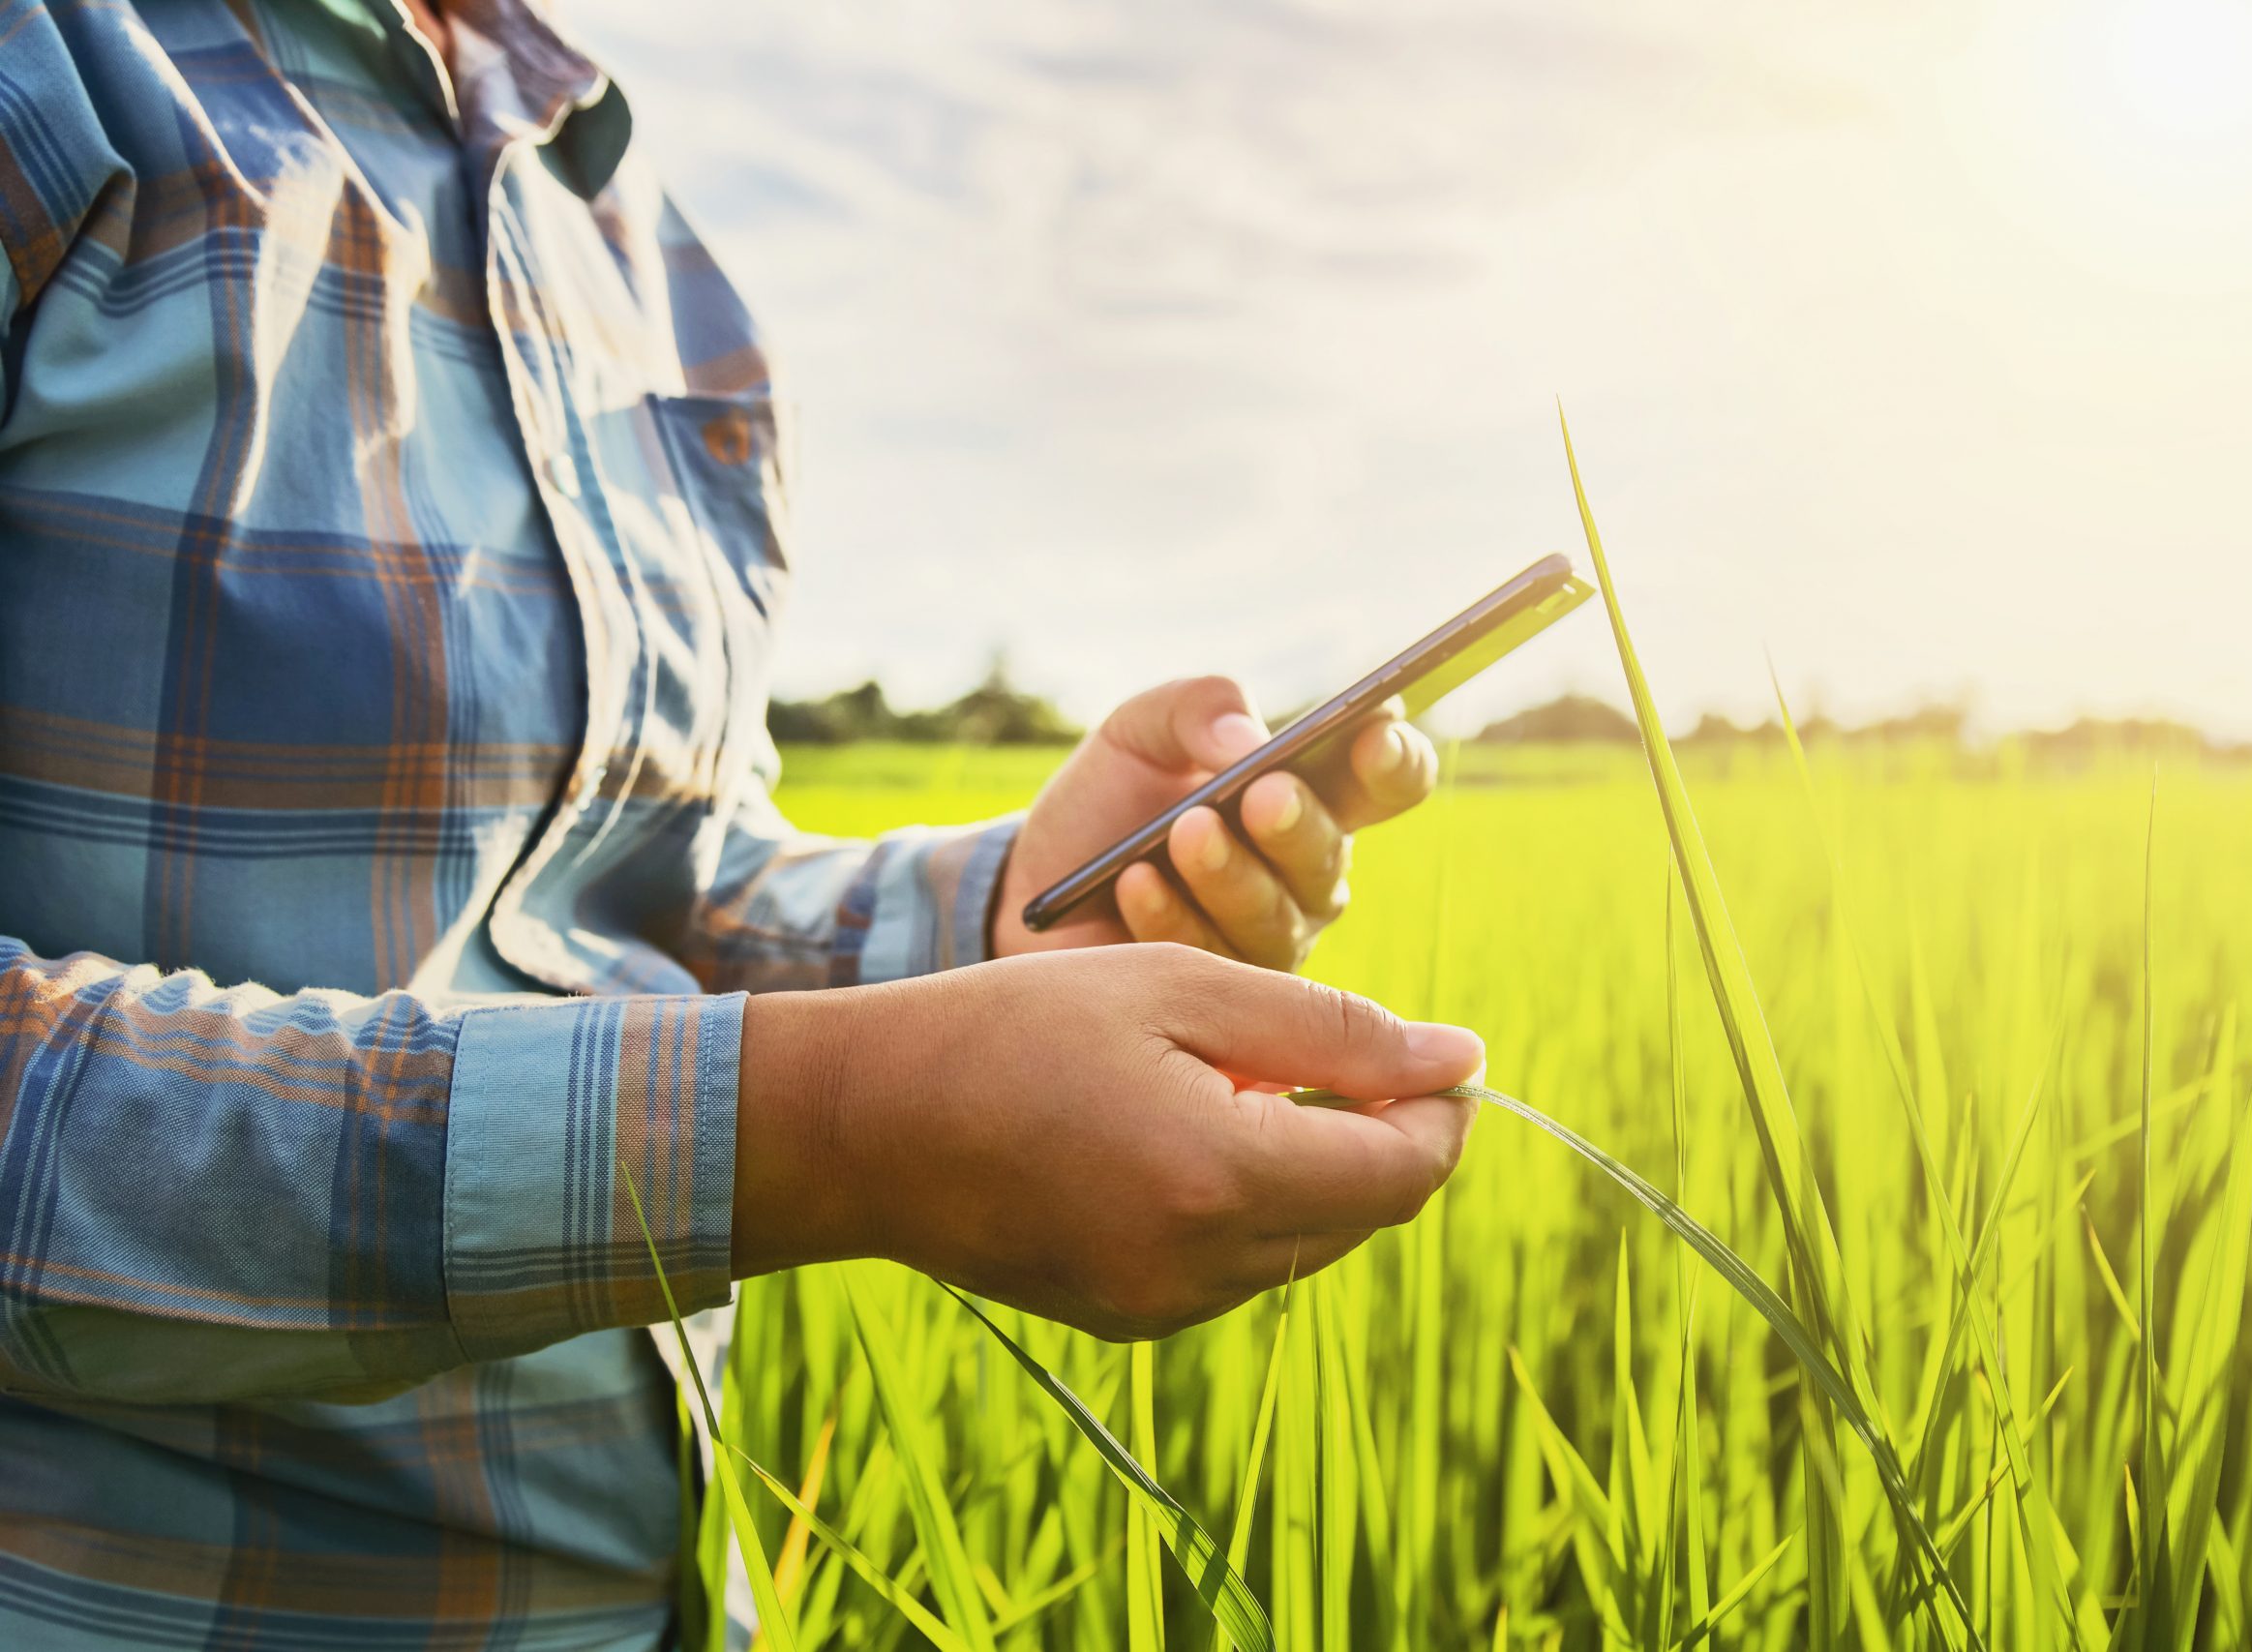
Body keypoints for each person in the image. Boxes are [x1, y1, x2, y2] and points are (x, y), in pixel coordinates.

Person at [0, 1, 1485, 1645]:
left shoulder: (635, 242)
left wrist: (1012, 908)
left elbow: (634, 887)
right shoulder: (56, 72)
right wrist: (835, 1131)